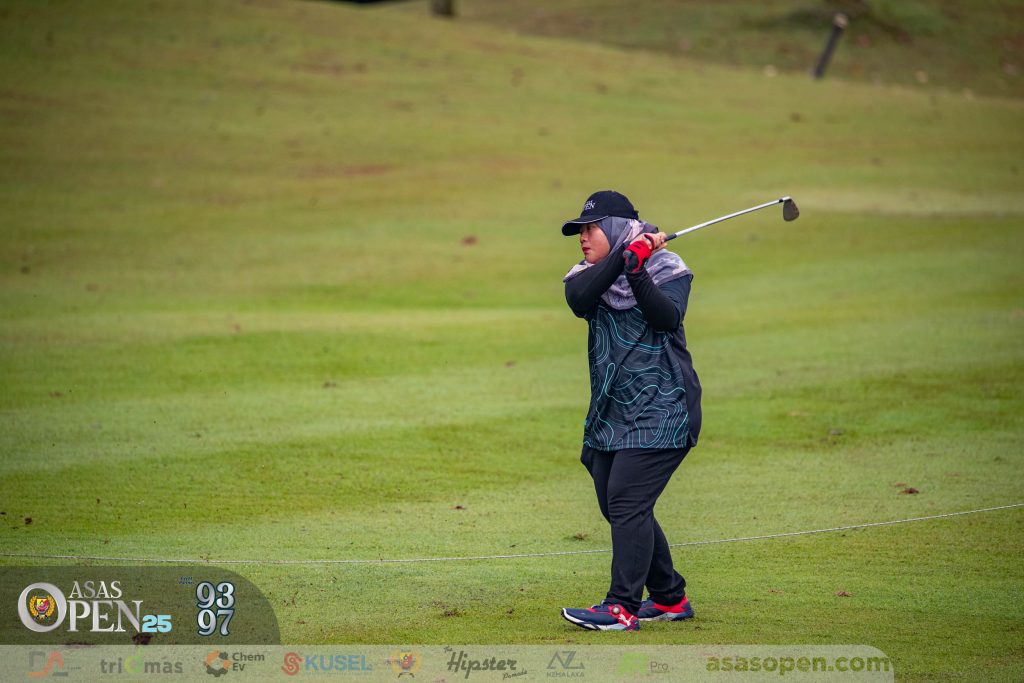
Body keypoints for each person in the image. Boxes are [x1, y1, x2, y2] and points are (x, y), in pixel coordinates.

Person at [558, 190, 702, 632]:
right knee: (617, 503)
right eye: (581, 230)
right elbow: (580, 299)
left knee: (625, 500)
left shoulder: (668, 269)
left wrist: (638, 270)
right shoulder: (585, 275)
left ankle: (621, 606)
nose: (583, 237)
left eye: (591, 228)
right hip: (611, 410)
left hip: (665, 407)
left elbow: (666, 317)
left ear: (617, 227)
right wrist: (625, 258)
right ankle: (670, 597)